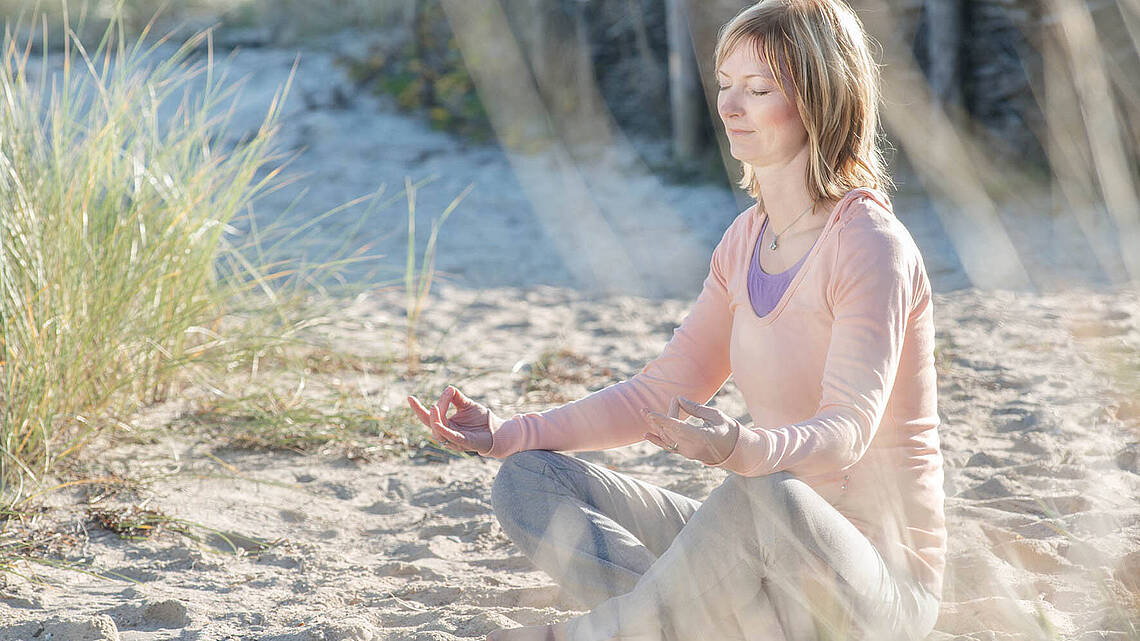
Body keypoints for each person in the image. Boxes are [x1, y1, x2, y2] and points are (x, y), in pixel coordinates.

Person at [407, 0, 945, 639]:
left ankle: (623, 628)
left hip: (870, 583)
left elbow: (846, 429)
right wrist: (508, 432)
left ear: (821, 99)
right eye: (724, 86)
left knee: (764, 494)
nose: (728, 107)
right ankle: (692, 621)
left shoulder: (869, 243)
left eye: (758, 89)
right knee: (530, 477)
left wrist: (745, 450)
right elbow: (659, 395)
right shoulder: (745, 239)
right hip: (757, 563)